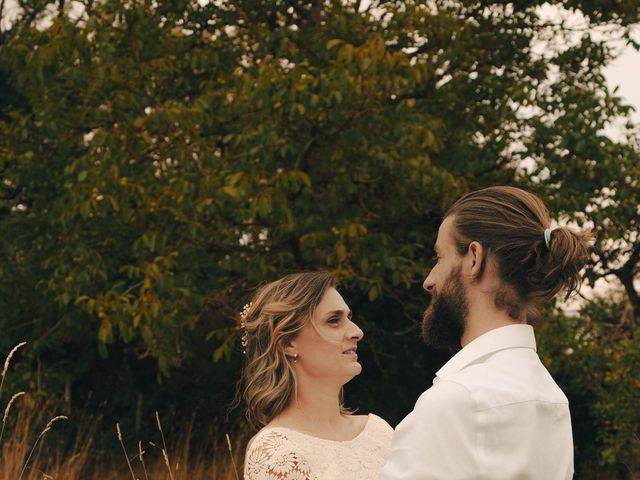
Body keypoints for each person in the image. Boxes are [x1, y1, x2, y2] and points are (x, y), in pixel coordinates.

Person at [380, 186, 591, 480]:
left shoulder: (455, 401)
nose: (429, 281)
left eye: (439, 258)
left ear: (474, 258)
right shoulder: (551, 397)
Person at [239, 271, 393, 480]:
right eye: (333, 320)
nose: (357, 331)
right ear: (287, 343)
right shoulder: (277, 454)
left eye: (348, 318)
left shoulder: (379, 433)